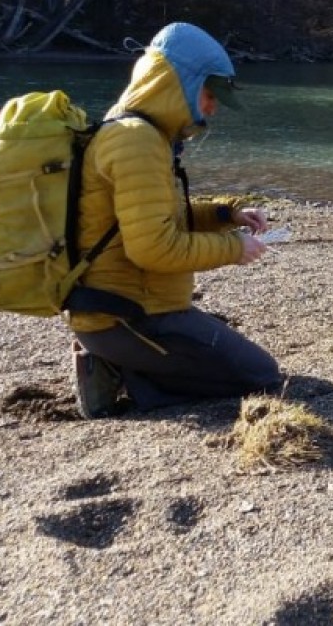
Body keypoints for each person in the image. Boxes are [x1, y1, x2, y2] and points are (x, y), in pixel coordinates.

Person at [67, 21, 283, 418]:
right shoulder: (137, 140)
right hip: (127, 317)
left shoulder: (140, 133)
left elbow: (165, 217)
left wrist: (227, 213)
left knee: (244, 366)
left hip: (131, 310)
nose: (212, 108)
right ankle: (119, 371)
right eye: (209, 94)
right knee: (262, 376)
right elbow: (153, 248)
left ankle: (127, 363)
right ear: (178, 83)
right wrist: (234, 248)